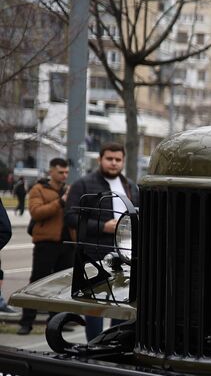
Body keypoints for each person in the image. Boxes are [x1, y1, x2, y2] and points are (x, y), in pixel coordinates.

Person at [66, 143, 140, 341]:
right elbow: (71, 217)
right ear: (100, 159)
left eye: (118, 160)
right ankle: (93, 346)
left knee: (122, 305)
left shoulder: (131, 186)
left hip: (125, 256)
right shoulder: (83, 184)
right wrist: (103, 226)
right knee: (95, 307)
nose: (114, 163)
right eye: (109, 159)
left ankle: (114, 345)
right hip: (94, 255)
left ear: (123, 161)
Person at [18, 158, 73, 335]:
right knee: (37, 283)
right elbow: (36, 212)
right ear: (51, 172)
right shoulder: (38, 189)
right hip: (46, 243)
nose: (64, 175)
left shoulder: (69, 189)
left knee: (62, 285)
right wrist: (61, 202)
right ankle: (26, 322)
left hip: (67, 243)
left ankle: (57, 322)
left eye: (66, 172)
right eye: (61, 172)